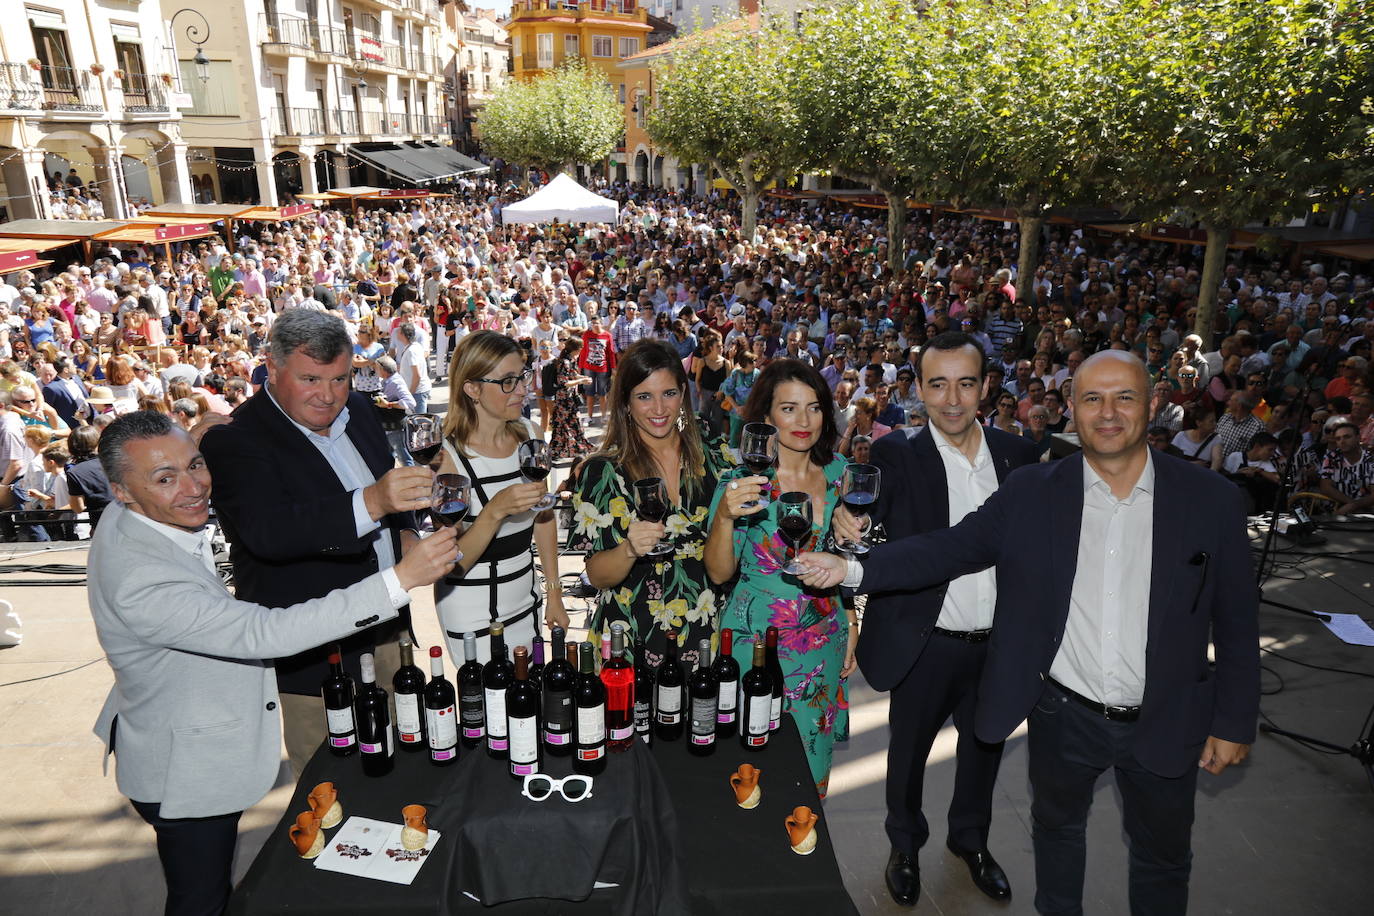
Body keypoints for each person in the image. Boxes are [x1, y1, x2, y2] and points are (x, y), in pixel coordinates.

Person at [799, 351, 1259, 916]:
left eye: (1125, 397)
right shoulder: (1036, 491)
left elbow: (1237, 619)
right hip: (1063, 717)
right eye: (1092, 398)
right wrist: (852, 569)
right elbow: (951, 547)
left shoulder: (1210, 499)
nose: (1107, 413)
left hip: (1167, 716)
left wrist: (1234, 720)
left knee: (1162, 860)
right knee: (1057, 839)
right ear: (1071, 407)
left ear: (1154, 404)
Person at [88, 411, 459, 916]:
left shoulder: (133, 515)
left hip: (177, 730)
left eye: (196, 465)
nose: (194, 487)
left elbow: (170, 461)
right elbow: (266, 633)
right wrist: (399, 580)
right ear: (121, 491)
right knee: (201, 899)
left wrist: (201, 436)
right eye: (165, 478)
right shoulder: (140, 579)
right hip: (184, 768)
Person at [828, 331, 1039, 907]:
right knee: (908, 753)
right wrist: (851, 518)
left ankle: (970, 842)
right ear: (918, 388)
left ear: (986, 388)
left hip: (999, 645)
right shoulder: (897, 453)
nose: (951, 399)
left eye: (965, 383)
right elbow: (867, 518)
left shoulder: (1020, 457)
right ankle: (904, 845)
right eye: (937, 384)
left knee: (985, 750)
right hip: (925, 641)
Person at [200, 310, 432, 775]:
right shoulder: (235, 439)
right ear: (271, 365)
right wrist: (373, 501)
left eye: (341, 378)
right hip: (317, 660)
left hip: (388, 632)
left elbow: (388, 480)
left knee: (410, 764)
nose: (328, 395)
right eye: (310, 379)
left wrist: (405, 525)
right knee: (329, 787)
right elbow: (270, 532)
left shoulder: (361, 410)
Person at [704, 358, 854, 796]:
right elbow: (718, 572)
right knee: (752, 766)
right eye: (789, 409)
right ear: (766, 417)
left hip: (822, 638)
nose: (803, 421)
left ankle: (805, 847)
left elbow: (845, 559)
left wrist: (851, 619)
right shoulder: (743, 481)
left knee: (808, 766)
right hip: (756, 640)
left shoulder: (840, 474)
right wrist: (726, 517)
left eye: (813, 407)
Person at [571, 339, 731, 668]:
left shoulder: (710, 447)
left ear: (684, 395)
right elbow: (597, 576)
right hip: (632, 636)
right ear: (626, 403)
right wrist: (629, 549)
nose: (659, 409)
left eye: (669, 393)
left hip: (706, 631)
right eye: (644, 396)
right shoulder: (604, 472)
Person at [433, 331, 569, 663]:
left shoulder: (530, 434)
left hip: (525, 594)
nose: (523, 389)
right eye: (508, 381)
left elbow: (544, 517)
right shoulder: (445, 456)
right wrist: (494, 511)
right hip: (469, 607)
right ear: (472, 388)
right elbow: (452, 564)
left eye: (522, 376)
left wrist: (554, 593)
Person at [1317, 418, 1374, 515]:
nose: (1342, 441)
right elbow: (1325, 487)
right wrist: (1351, 505)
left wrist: (1353, 506)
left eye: (1347, 437)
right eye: (1338, 439)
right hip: (1335, 510)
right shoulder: (1331, 457)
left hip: (1365, 513)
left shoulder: (1371, 459)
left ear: (1358, 437)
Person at [549, 336, 594, 461]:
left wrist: (583, 378)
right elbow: (564, 382)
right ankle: (564, 450)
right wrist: (581, 380)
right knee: (565, 425)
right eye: (581, 347)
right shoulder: (565, 362)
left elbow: (573, 375)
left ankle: (575, 449)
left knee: (569, 424)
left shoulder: (571, 360)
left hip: (570, 398)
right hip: (564, 399)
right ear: (576, 348)